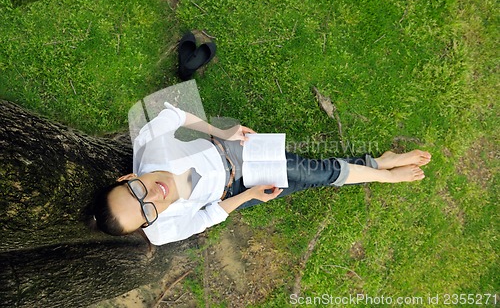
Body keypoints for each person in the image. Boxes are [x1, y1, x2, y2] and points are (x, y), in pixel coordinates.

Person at [93, 102, 431, 245]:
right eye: (146, 211)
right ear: (147, 224)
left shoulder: (149, 144)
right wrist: (248, 196)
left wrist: (222, 132)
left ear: (127, 178)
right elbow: (205, 217)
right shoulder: (160, 232)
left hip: (237, 151)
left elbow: (176, 114)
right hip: (237, 190)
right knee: (302, 181)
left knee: (318, 174)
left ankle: (385, 173)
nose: (154, 196)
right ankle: (376, 163)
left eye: (137, 191)